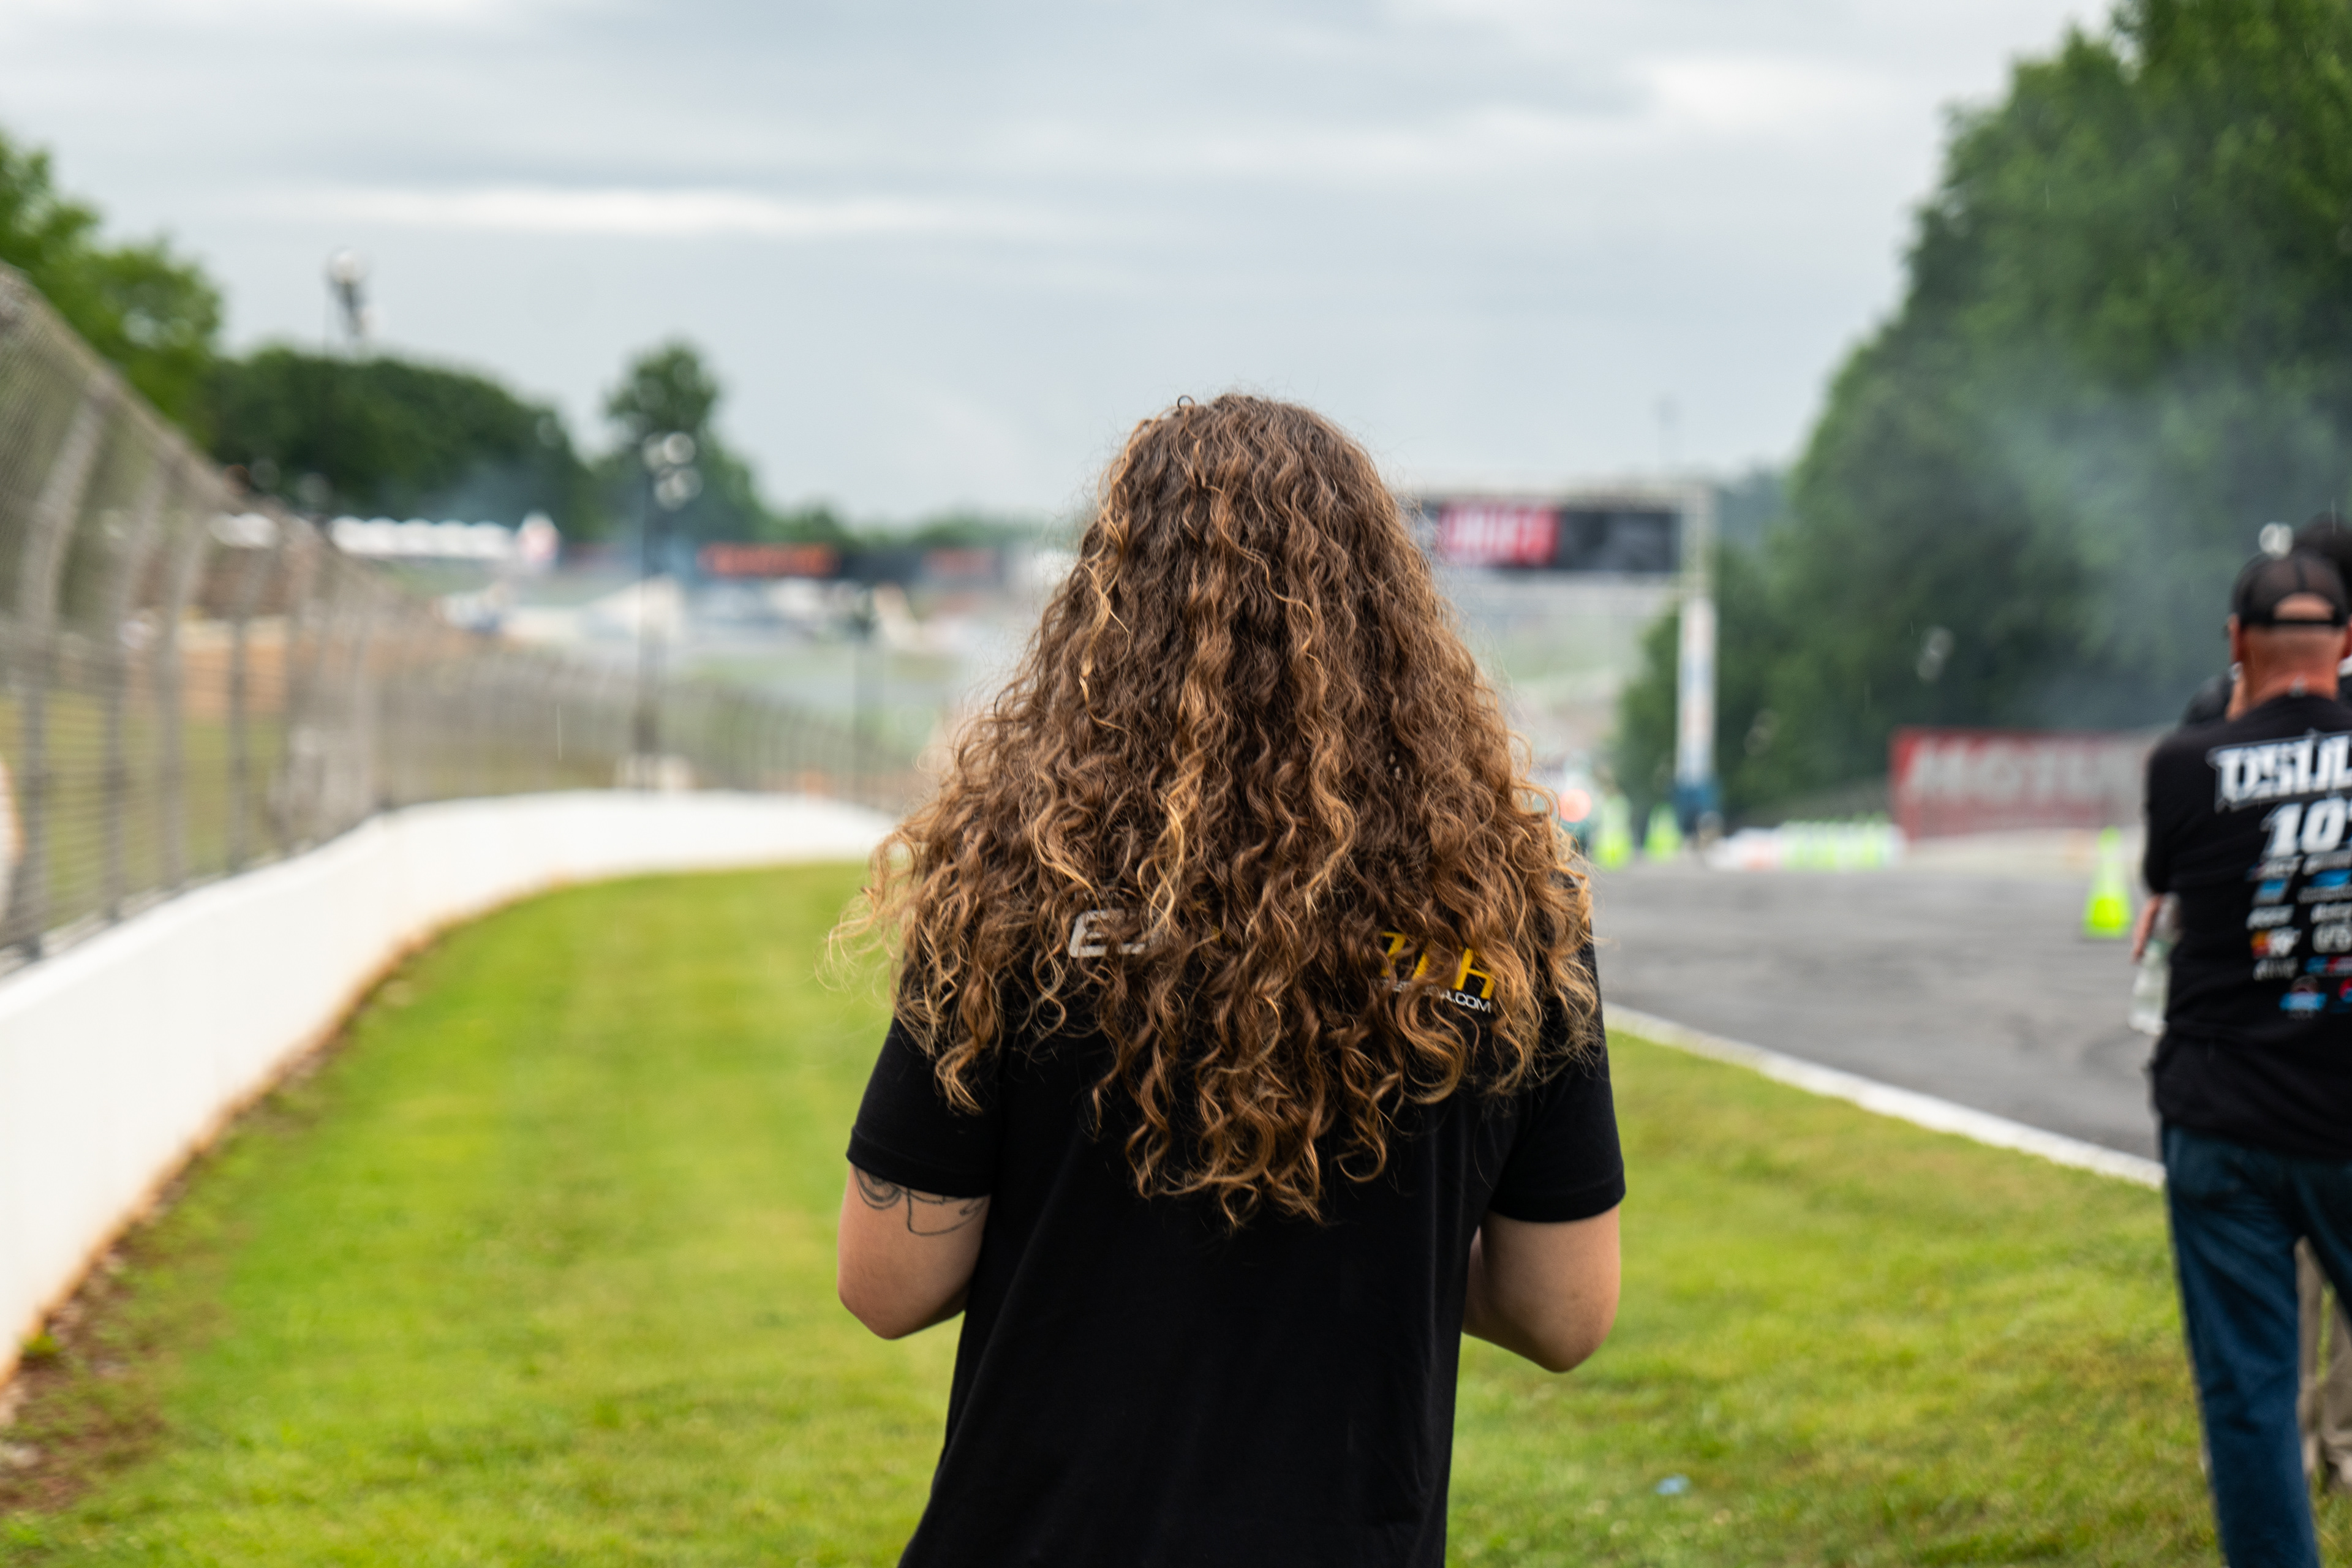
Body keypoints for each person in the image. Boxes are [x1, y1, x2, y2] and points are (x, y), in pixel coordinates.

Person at [832, 395, 1624, 1567]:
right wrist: (1376, 1243)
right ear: (1391, 616)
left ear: (1108, 614)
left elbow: (890, 1282)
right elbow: (1563, 1311)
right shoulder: (1497, 928)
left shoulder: (1014, 896)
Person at [2140, 549, 2352, 1564]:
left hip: (2225, 1119)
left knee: (2250, 1400)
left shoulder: (2185, 765)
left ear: (2236, 643)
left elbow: (2171, 880)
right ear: (2346, 645)